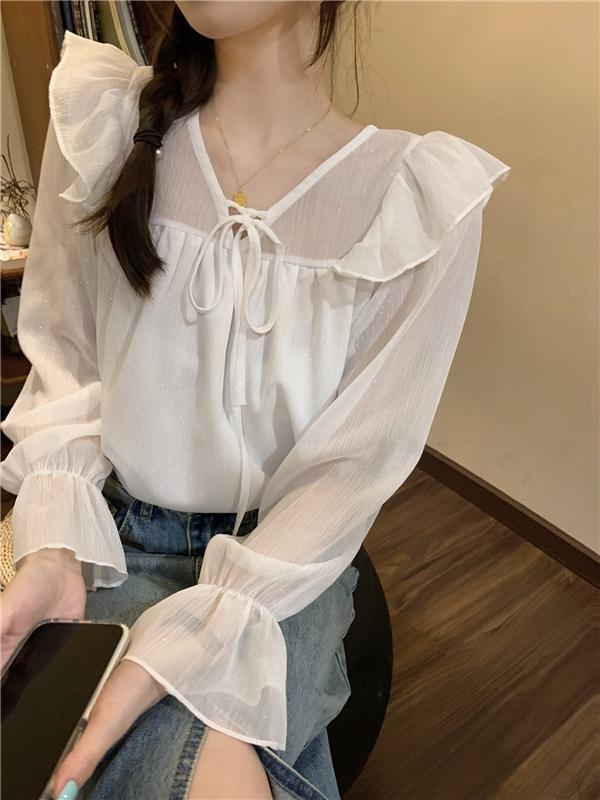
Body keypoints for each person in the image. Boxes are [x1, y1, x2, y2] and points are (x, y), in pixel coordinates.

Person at [0, 2, 511, 799]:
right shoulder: (101, 124)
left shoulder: (417, 201)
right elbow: (69, 364)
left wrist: (204, 632)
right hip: (111, 536)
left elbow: (349, 471)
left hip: (280, 573)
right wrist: (52, 548)